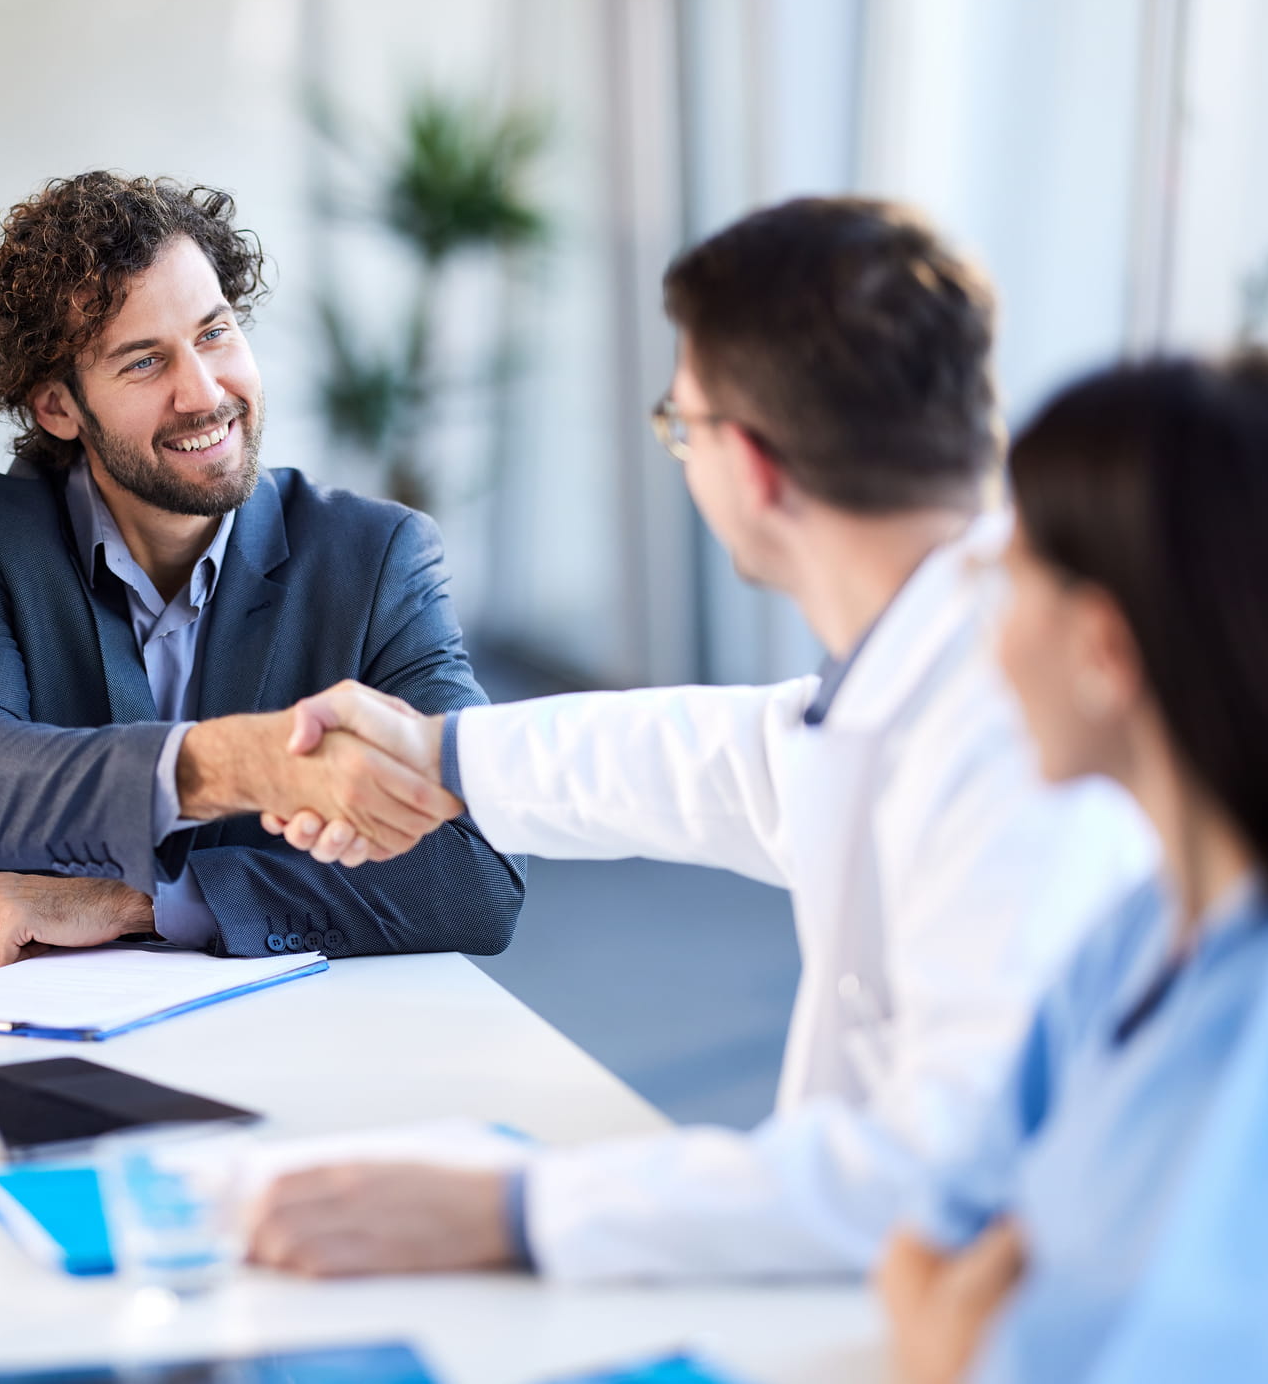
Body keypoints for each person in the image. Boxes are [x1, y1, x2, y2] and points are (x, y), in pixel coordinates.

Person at [246, 197, 1153, 1279]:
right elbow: (720, 758)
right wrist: (438, 759)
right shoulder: (941, 648)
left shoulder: (1023, 732)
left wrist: (521, 1211)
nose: (681, 457)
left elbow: (935, 1172)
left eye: (680, 425)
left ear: (756, 468)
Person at [0, 172, 519, 965]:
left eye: (214, 334)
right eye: (144, 363)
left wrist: (151, 905)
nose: (205, 393)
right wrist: (225, 765)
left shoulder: (375, 557)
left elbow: (477, 871)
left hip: (263, 1030)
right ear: (58, 408)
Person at [878, 353, 1268, 1384]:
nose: (989, 641)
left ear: (1100, 649)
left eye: (1009, 581)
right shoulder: (1141, 930)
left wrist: (975, 1317)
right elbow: (920, 1247)